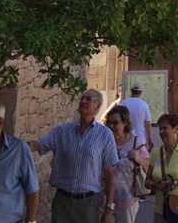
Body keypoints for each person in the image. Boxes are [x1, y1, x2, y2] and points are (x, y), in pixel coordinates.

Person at [30, 88, 119, 223]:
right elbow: (37, 145)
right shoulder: (62, 131)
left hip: (88, 204)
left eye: (88, 99)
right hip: (62, 202)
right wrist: (14, 146)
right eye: (82, 98)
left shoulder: (105, 135)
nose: (83, 101)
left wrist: (109, 209)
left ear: (97, 107)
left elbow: (110, 173)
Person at [144, 113, 178, 222]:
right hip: (161, 209)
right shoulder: (156, 152)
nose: (161, 132)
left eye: (165, 128)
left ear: (176, 129)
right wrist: (156, 185)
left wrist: (174, 183)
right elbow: (147, 181)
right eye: (160, 129)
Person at [105, 104, 150, 223]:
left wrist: (138, 159)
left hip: (127, 202)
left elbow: (149, 169)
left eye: (115, 123)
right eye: (109, 123)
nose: (111, 126)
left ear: (125, 123)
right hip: (104, 200)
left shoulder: (136, 142)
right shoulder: (104, 142)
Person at [119, 82, 154, 151]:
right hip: (140, 140)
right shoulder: (144, 105)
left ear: (131, 91)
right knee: (140, 160)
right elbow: (148, 124)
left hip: (125, 139)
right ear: (140, 92)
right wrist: (149, 138)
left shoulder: (123, 103)